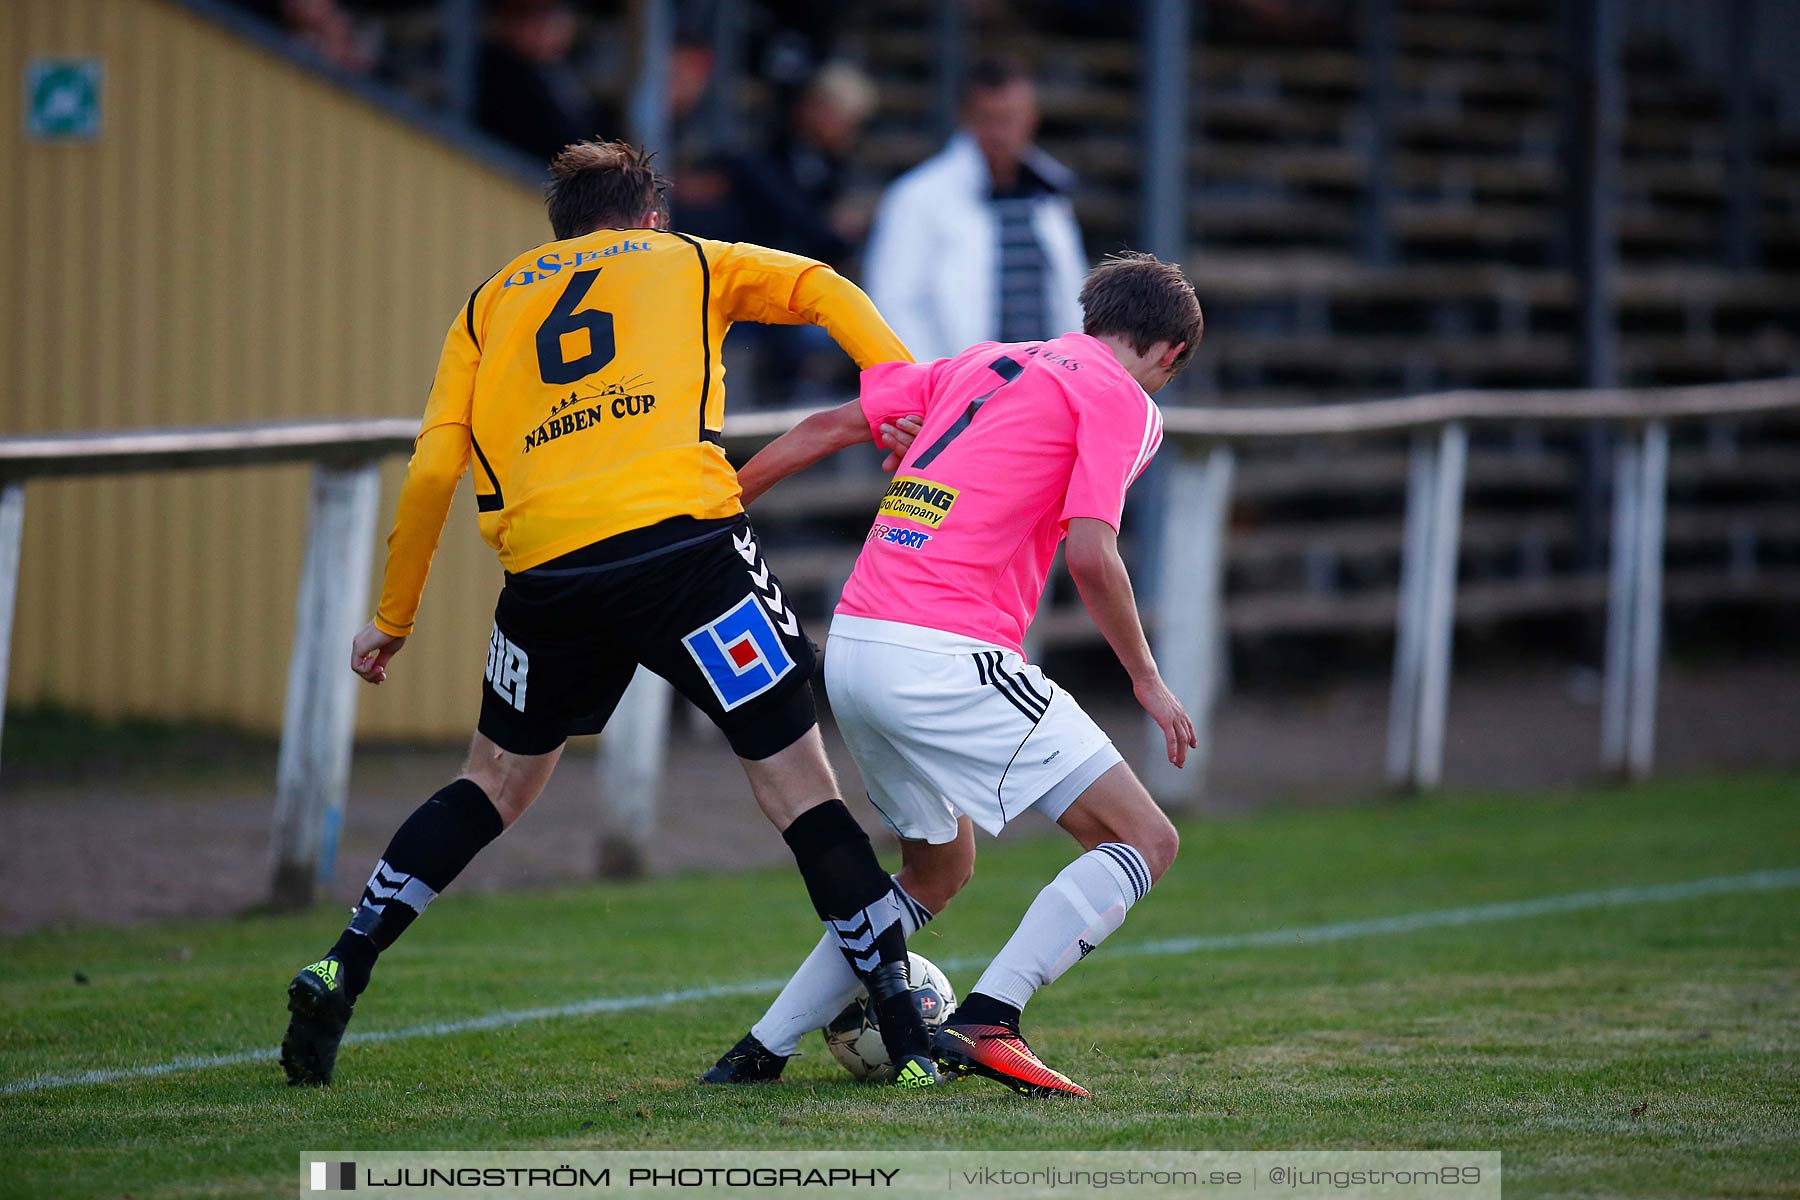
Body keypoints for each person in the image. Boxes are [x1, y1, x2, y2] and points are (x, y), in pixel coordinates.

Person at [279, 140, 943, 1090]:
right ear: (650, 217)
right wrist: (898, 390)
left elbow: (432, 468)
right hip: (687, 557)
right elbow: (826, 287)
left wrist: (394, 616)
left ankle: (345, 960)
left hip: (548, 575)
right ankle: (909, 1048)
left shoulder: (490, 301)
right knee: (800, 788)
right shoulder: (692, 259)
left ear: (559, 228)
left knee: (493, 783)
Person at [702, 253, 1202, 1097]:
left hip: (855, 644)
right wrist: (1148, 682)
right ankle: (990, 1018)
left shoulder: (980, 361)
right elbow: (1092, 550)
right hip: (943, 652)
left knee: (938, 869)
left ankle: (759, 1050)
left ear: (1092, 316)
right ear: (1171, 355)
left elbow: (826, 428)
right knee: (1143, 839)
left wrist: (711, 516)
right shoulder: (1126, 400)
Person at [862, 54, 1085, 363]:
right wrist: (939, 383)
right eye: (989, 119)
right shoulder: (917, 197)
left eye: (1010, 119)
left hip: (1048, 385)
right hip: (961, 393)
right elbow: (893, 304)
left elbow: (1068, 296)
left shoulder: (1050, 196)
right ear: (965, 117)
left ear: (1031, 118)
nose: (1000, 134)